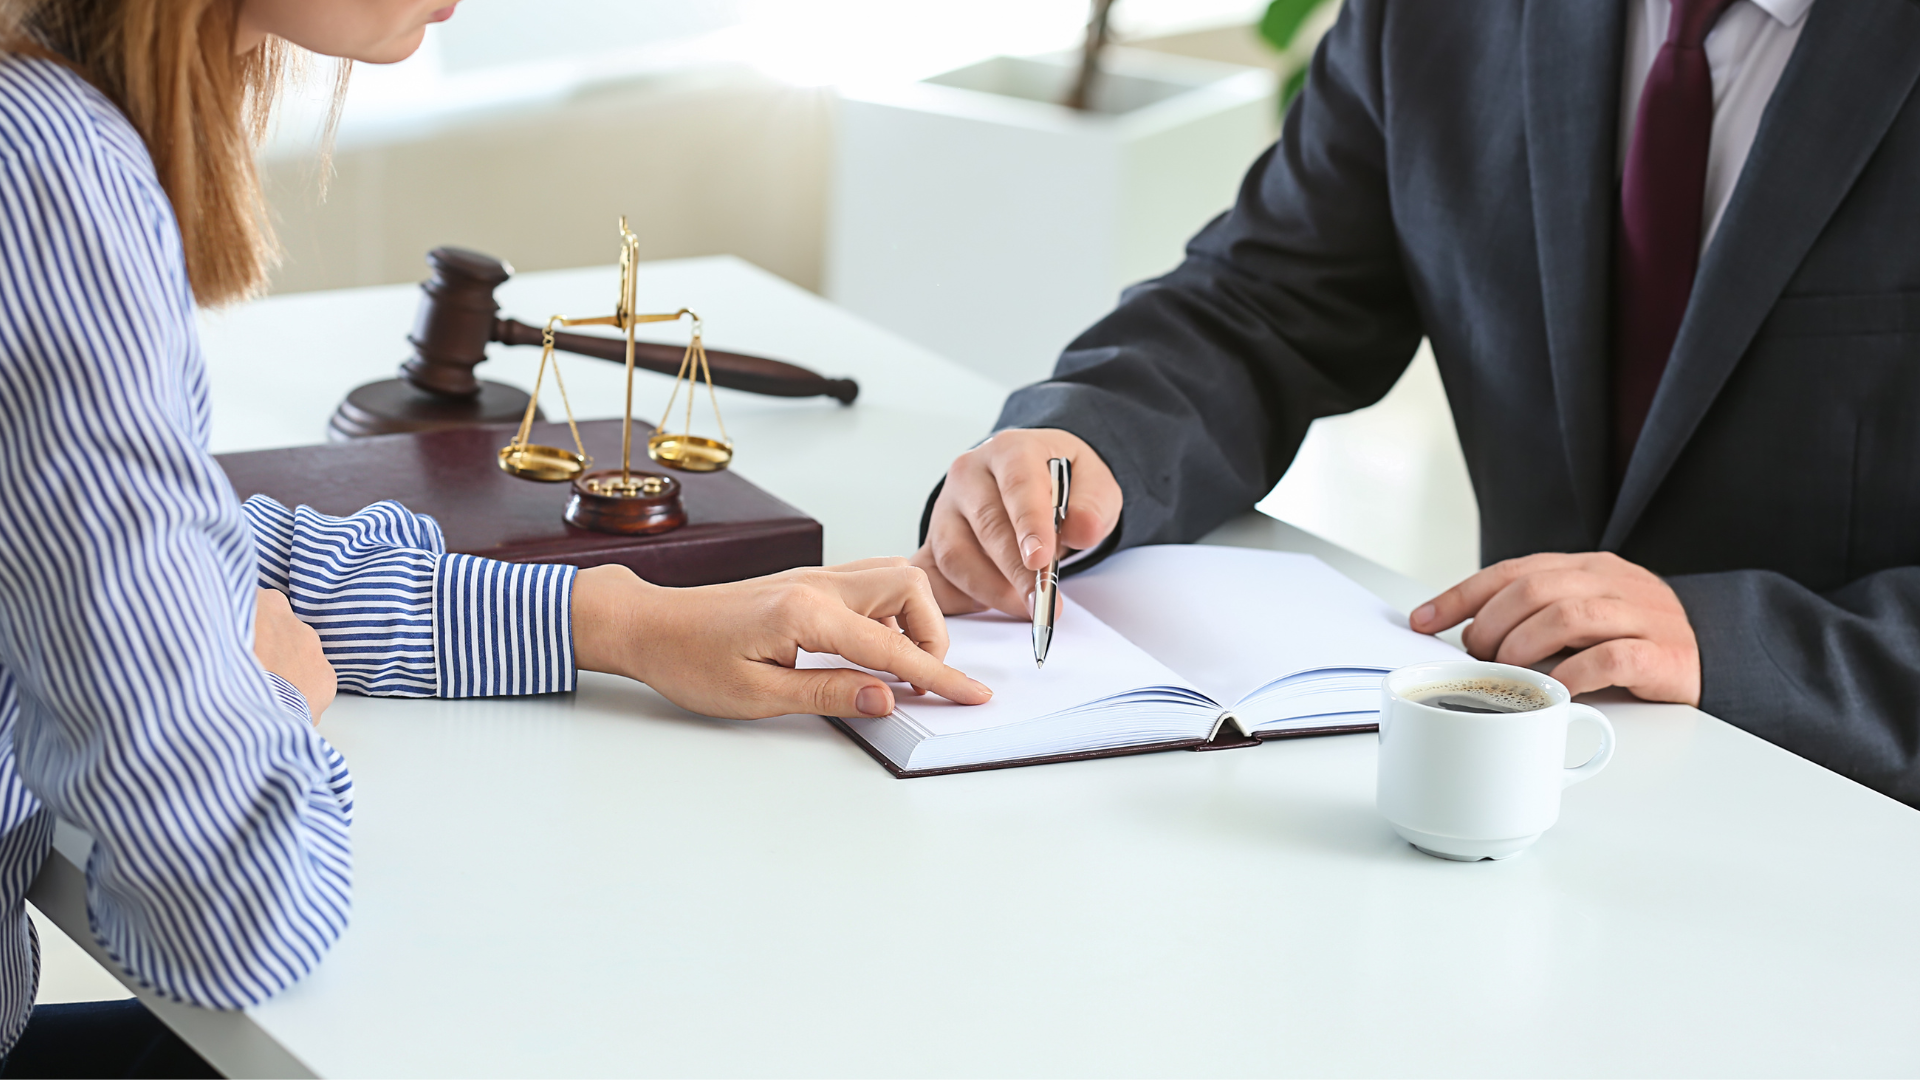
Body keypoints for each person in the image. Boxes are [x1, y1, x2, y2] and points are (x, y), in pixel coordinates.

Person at [0, 0, 989, 1073]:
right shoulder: (51, 178)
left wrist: (617, 618)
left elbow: (184, 543)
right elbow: (229, 914)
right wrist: (271, 697)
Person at [913, 0, 1920, 808]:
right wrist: (1089, 443)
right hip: (1506, 792)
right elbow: (1265, 300)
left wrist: (1736, 642)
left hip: (1851, 847)